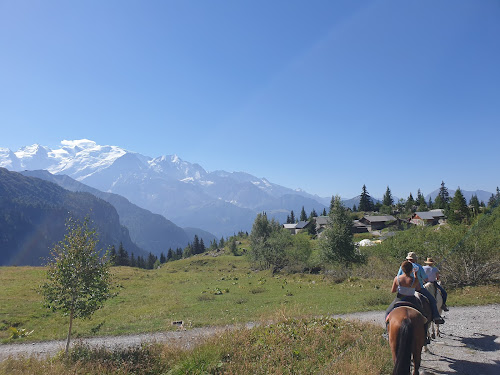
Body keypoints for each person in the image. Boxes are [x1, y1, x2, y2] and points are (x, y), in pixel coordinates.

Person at [397, 252, 445, 325]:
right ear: (415, 259)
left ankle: (390, 321)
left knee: (396, 304)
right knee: (432, 300)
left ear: (408, 259)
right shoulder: (419, 267)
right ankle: (436, 317)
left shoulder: (402, 267)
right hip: (419, 288)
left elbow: (398, 277)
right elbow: (425, 279)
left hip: (405, 290)